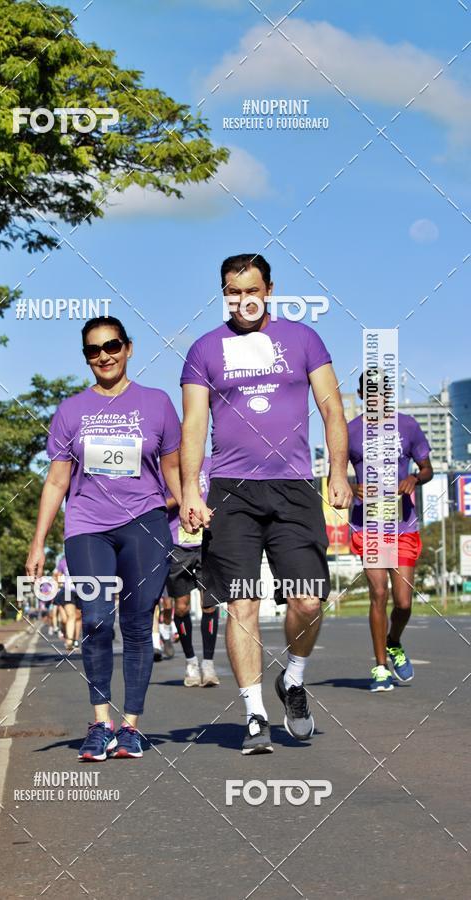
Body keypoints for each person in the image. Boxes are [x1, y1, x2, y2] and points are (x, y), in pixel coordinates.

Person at [179, 254, 352, 754]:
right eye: (232, 293)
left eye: (251, 290)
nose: (243, 300)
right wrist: (191, 489)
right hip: (231, 489)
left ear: (269, 289)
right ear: (223, 293)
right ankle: (254, 713)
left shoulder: (303, 340)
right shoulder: (203, 349)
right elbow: (194, 424)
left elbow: (332, 409)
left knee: (307, 598)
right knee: (242, 602)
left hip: (294, 486)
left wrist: (338, 473)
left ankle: (293, 681)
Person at [26, 316, 181, 761]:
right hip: (88, 528)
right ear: (86, 358)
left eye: (112, 346)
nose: (104, 356)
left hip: (145, 526)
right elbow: (56, 482)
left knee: (136, 624)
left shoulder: (158, 403)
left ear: (128, 348)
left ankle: (130, 727)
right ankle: (100, 722)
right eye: (94, 350)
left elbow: (172, 470)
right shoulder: (70, 411)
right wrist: (39, 542)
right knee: (95, 619)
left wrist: (187, 501)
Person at [348, 371, 433, 692]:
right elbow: (335, 477)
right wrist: (350, 486)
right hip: (367, 525)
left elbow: (427, 468)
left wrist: (415, 478)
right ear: (360, 395)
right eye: (368, 393)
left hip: (402, 525)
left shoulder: (407, 426)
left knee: (403, 603)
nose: (375, 399)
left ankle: (393, 641)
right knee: (379, 593)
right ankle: (380, 667)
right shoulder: (350, 432)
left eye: (380, 393)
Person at [163, 456, 220, 686]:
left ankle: (208, 664)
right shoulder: (167, 467)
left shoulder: (209, 464)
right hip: (178, 546)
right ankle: (191, 662)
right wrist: (181, 499)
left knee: (209, 604)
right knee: (182, 606)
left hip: (207, 542)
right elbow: (157, 503)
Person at [53, 553, 82, 652]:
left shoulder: (84, 559)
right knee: (71, 616)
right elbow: (56, 575)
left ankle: (75, 640)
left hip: (81, 592)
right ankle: (69, 641)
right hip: (67, 591)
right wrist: (56, 587)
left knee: (78, 617)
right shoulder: (63, 562)